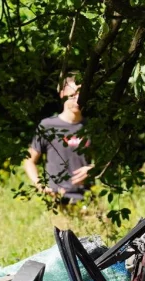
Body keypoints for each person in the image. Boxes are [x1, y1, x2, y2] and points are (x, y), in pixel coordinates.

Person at [23, 73, 93, 204]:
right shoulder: (48, 126)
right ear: (62, 94)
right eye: (72, 95)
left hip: (87, 199)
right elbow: (29, 161)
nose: (78, 99)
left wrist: (93, 169)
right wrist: (41, 186)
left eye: (81, 95)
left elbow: (107, 161)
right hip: (56, 199)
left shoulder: (92, 127)